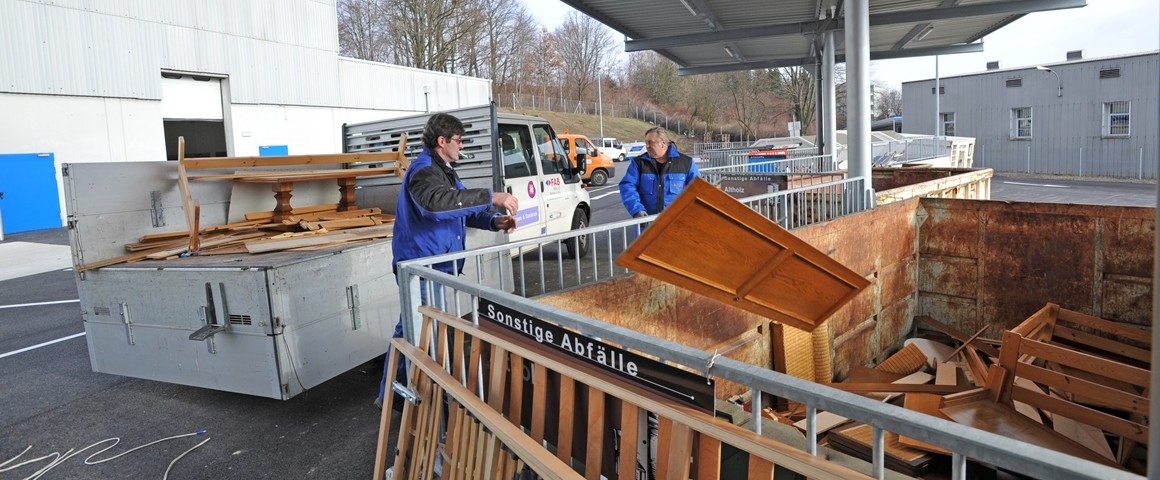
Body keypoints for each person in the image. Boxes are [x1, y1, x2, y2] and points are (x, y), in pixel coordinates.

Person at [377, 112, 518, 407]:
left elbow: (463, 207)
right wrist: (492, 196)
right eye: (459, 140)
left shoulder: (445, 171)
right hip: (422, 267)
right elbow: (436, 205)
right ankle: (400, 397)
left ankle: (401, 394)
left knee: (417, 331)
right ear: (442, 141)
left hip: (436, 266)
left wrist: (495, 223)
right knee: (418, 332)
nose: (462, 145)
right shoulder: (424, 171)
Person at [619, 127, 699, 218]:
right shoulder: (639, 163)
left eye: (650, 142)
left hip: (677, 222)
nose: (647, 146)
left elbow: (698, 190)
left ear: (663, 143)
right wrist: (637, 210)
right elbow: (628, 186)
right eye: (646, 143)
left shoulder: (686, 163)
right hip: (647, 223)